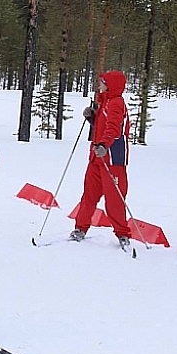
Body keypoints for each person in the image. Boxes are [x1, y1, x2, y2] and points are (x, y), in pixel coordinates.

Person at [70, 70, 132, 248]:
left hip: (112, 159)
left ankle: (122, 234)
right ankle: (80, 228)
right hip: (97, 157)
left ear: (110, 85)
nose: (100, 85)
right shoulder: (106, 102)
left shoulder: (117, 103)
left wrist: (104, 145)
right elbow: (103, 125)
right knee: (89, 195)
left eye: (103, 82)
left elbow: (114, 129)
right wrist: (92, 118)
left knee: (114, 199)